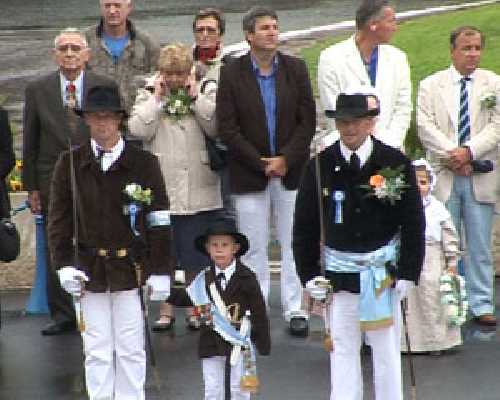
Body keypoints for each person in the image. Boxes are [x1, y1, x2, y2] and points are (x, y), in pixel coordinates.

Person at [293, 89, 425, 400]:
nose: (349, 129)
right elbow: (305, 226)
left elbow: (413, 222)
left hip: (381, 275)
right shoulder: (319, 166)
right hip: (339, 276)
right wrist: (308, 275)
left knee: (385, 352)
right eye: (343, 123)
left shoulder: (393, 162)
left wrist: (408, 271)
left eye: (356, 122)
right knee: (341, 349)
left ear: (370, 124)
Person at [47, 84, 173, 400]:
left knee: (131, 349)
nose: (102, 124)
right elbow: (59, 221)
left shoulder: (145, 163)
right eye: (94, 117)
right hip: (88, 271)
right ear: (86, 120)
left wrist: (161, 269)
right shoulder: (70, 163)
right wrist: (62, 265)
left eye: (108, 117)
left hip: (131, 269)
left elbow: (158, 219)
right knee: (97, 349)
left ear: (120, 119)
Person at [217, 6, 316, 335]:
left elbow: (308, 122)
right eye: (264, 28)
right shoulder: (232, 73)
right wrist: (260, 162)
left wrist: (285, 158)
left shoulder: (296, 69)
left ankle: (294, 307)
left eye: (275, 27)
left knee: (292, 241)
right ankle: (254, 309)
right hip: (249, 173)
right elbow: (228, 129)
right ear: (248, 35)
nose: (272, 32)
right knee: (254, 245)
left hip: (291, 171)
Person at [22, 28, 114, 336]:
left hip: (96, 173)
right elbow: (30, 141)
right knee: (56, 243)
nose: (70, 53)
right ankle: (62, 314)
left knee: (98, 237)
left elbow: (115, 132)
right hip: (52, 178)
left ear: (87, 54)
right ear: (55, 55)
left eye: (76, 48)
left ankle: (98, 302)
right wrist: (31, 186)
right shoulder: (38, 89)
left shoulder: (104, 85)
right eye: (64, 48)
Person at [128, 43, 222, 331]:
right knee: (165, 253)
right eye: (169, 73)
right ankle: (166, 309)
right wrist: (157, 100)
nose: (174, 79)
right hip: (164, 183)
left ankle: (198, 307)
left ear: (189, 71)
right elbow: (137, 129)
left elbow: (216, 126)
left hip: (199, 184)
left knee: (196, 254)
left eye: (180, 73)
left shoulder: (205, 88)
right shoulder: (146, 92)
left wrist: (194, 98)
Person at [417, 26, 500, 326]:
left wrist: (469, 151)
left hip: (480, 174)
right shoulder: (430, 85)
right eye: (466, 48)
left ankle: (481, 303)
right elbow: (425, 127)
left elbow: (497, 125)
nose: (472, 54)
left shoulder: (494, 84)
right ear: (452, 51)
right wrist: (453, 155)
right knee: (443, 243)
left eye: (477, 48)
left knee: (479, 243)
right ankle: (445, 305)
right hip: (445, 173)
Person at [188, 218, 270, 400]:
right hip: (210, 340)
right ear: (207, 249)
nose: (219, 249)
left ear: (235, 248)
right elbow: (187, 297)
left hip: (238, 342)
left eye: (224, 245)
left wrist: (262, 341)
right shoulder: (202, 280)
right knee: (212, 389)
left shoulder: (247, 278)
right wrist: (163, 294)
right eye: (214, 245)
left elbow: (259, 311)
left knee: (239, 389)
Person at [318, 0, 411, 150]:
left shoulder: (398, 58)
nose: (395, 28)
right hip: (349, 151)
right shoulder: (331, 58)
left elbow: (403, 107)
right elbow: (334, 109)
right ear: (373, 25)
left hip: (391, 150)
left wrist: (389, 144)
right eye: (391, 21)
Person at [402, 159, 462, 354]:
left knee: (432, 298)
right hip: (410, 257)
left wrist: (452, 261)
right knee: (409, 300)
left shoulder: (437, 209)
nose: (419, 187)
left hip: (432, 257)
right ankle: (410, 342)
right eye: (415, 183)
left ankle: (436, 341)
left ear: (431, 183)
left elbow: (449, 236)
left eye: (423, 182)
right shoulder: (404, 207)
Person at [192, 7, 234, 220]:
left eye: (210, 29)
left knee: (228, 210)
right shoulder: (181, 64)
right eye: (200, 30)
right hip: (190, 148)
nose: (205, 35)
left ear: (221, 34)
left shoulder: (232, 66)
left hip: (223, 151)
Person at [85, 0, 160, 113]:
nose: (112, 11)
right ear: (101, 8)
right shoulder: (85, 41)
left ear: (129, 8)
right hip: (99, 118)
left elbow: (159, 79)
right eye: (107, 6)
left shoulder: (147, 43)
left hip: (136, 116)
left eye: (117, 6)